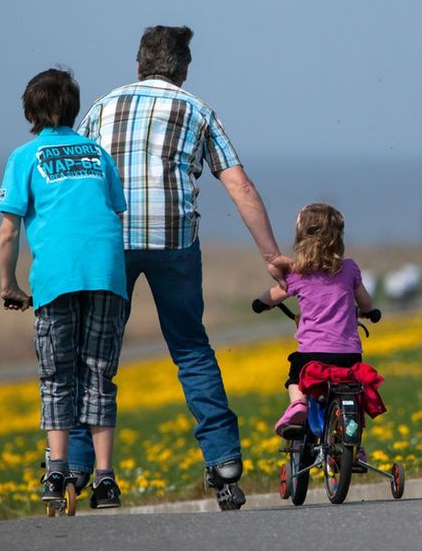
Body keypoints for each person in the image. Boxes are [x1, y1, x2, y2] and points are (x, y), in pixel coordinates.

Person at [68, 25, 292, 510]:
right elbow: (240, 186)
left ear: (138, 65)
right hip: (174, 241)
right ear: (184, 70)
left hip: (111, 241)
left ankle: (80, 466)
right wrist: (272, 257)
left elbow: (75, 178)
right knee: (191, 349)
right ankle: (224, 463)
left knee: (96, 355)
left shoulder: (102, 107)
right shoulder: (198, 110)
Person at [0, 68, 128, 512]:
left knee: (57, 376)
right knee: (98, 375)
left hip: (56, 278)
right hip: (107, 274)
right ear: (74, 108)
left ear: (30, 112)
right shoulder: (97, 153)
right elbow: (114, 211)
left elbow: (8, 232)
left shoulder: (25, 156)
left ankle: (57, 469)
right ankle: (105, 479)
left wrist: (9, 285)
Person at [252, 203, 379, 449]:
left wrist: (260, 303)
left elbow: (271, 297)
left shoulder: (298, 273)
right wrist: (368, 311)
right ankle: (355, 448)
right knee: (353, 394)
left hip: (312, 354)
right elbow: (366, 302)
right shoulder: (349, 268)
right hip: (349, 354)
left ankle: (298, 403)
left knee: (295, 377)